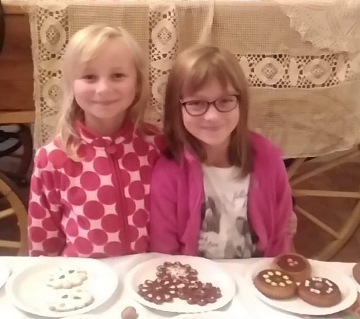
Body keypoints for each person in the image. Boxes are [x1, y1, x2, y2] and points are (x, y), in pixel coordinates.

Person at [149, 45, 296, 258]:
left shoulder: (269, 160)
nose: (212, 116)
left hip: (256, 273)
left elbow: (280, 237)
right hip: (193, 276)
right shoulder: (168, 174)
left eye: (225, 101)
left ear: (241, 102)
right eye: (196, 103)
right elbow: (165, 252)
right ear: (176, 108)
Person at [28, 25, 162, 257]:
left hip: (146, 273)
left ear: (138, 83)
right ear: (71, 84)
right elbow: (43, 240)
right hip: (83, 276)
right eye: (89, 77)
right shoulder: (52, 158)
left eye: (118, 76)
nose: (103, 89)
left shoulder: (157, 146)